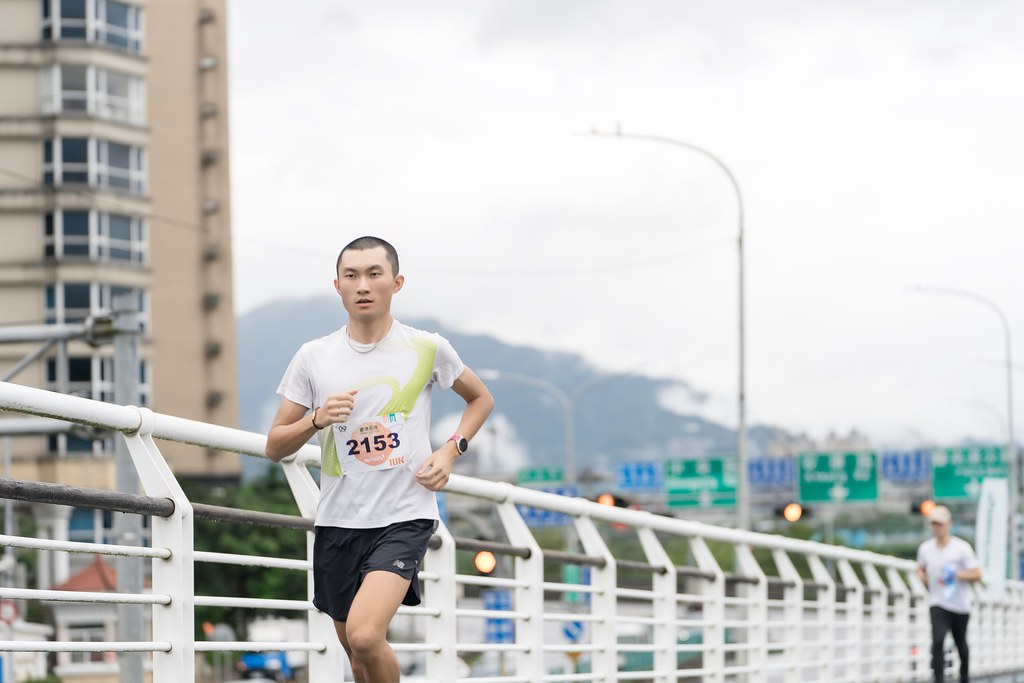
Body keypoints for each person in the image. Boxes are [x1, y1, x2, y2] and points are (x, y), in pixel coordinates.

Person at [265, 236, 494, 683]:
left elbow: (480, 399)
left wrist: (451, 450)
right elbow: (275, 445)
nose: (363, 285)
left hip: (404, 516)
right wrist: (316, 419)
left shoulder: (427, 347)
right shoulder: (313, 357)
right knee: (356, 655)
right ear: (337, 285)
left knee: (368, 636)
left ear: (396, 282)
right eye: (351, 276)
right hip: (337, 522)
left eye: (374, 274)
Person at [915, 504, 981, 683]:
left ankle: (964, 676)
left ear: (949, 524)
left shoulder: (961, 548)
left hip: (960, 603)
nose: (938, 527)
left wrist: (956, 574)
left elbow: (977, 574)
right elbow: (919, 568)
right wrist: (922, 576)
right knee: (937, 640)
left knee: (960, 642)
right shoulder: (925, 548)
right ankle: (938, 679)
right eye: (934, 523)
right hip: (937, 601)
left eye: (941, 524)